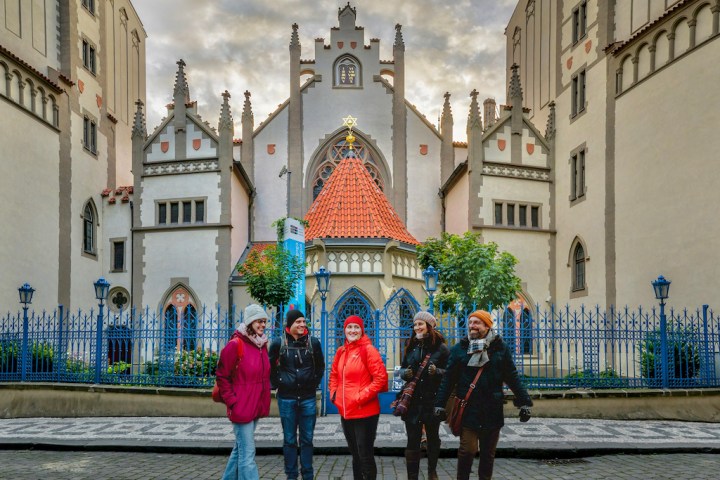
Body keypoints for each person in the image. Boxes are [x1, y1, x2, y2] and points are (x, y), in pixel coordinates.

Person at [434, 310, 532, 480]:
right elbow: (448, 379)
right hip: (468, 409)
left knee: (488, 455)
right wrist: (439, 404)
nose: (472, 326)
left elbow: (512, 376)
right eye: (470, 322)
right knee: (467, 450)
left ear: (487, 326)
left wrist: (524, 402)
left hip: (492, 409)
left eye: (477, 322)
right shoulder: (459, 349)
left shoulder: (500, 348)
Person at [329, 315, 388, 480]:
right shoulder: (341, 351)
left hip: (365, 412)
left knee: (365, 456)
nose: (352, 330)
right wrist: (334, 395)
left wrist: (360, 397)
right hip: (346, 412)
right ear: (344, 330)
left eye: (356, 327)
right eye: (349, 327)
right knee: (355, 456)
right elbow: (334, 375)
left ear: (362, 330)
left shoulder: (368, 350)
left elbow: (381, 379)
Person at [216, 304, 271, 480]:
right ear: (249, 322)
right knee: (248, 453)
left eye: (264, 321)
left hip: (255, 405)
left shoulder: (261, 345)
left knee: (239, 449)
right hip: (241, 406)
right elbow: (222, 376)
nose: (262, 325)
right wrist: (233, 402)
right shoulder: (235, 345)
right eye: (259, 321)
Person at [269, 309, 325, 480]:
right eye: (298, 322)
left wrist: (312, 384)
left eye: (303, 321)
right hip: (287, 398)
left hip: (308, 398)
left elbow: (320, 367)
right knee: (290, 440)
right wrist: (279, 383)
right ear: (289, 325)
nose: (302, 325)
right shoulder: (278, 343)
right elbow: (270, 367)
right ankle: (291, 475)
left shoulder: (313, 342)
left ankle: (308, 475)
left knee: (307, 439)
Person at [398, 311, 450, 480]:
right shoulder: (411, 346)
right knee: (412, 439)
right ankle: (412, 476)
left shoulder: (441, 348)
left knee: (433, 437)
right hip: (413, 402)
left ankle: (431, 471)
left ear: (429, 326)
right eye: (415, 325)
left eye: (420, 324)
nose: (417, 328)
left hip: (431, 400)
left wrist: (438, 372)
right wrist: (404, 373)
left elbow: (451, 374)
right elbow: (402, 368)